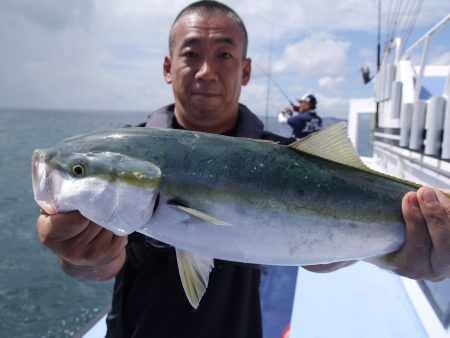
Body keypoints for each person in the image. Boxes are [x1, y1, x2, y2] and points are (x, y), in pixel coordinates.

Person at [35, 1, 450, 338]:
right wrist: (82, 258)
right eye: (191, 54)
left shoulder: (290, 157)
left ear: (246, 69)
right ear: (167, 67)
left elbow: (314, 251)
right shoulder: (134, 148)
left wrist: (397, 252)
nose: (206, 71)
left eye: (225, 55)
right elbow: (98, 264)